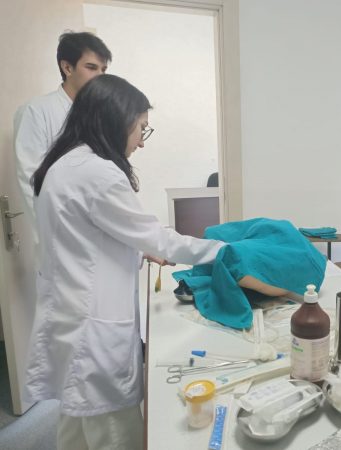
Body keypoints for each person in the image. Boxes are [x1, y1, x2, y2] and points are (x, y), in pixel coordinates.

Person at [24, 74, 226, 450]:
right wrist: (223, 251)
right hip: (94, 331)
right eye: (141, 129)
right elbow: (159, 238)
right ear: (117, 121)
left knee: (77, 425)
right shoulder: (98, 174)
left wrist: (138, 248)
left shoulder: (65, 164)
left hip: (72, 317)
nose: (141, 142)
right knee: (116, 434)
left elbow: (86, 239)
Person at [14, 31, 112, 222]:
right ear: (67, 67)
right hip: (60, 224)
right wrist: (57, 225)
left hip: (99, 218)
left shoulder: (102, 114)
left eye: (103, 69)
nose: (100, 76)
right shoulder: (36, 110)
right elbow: (30, 178)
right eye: (91, 67)